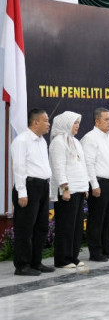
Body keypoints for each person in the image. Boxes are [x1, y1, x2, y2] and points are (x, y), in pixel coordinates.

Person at [10, 109, 54, 276]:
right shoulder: (22, 140)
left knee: (41, 227)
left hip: (42, 186)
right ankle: (22, 265)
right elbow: (19, 167)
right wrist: (22, 192)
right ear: (35, 122)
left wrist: (47, 188)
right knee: (25, 228)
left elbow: (43, 166)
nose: (49, 124)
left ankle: (36, 262)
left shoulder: (42, 141)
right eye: (46, 120)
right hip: (28, 187)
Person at [81, 108, 109, 262]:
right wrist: (94, 185)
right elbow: (89, 164)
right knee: (97, 219)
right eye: (106, 119)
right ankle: (96, 251)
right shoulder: (90, 138)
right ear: (97, 121)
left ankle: (108, 248)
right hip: (100, 184)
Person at [49, 111, 89, 269]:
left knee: (77, 226)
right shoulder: (58, 142)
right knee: (65, 226)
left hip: (79, 189)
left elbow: (82, 165)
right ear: (65, 123)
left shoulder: (76, 142)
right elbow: (58, 167)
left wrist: (85, 186)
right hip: (67, 191)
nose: (77, 126)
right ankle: (62, 259)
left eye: (78, 123)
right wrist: (64, 188)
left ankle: (73, 256)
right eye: (74, 123)